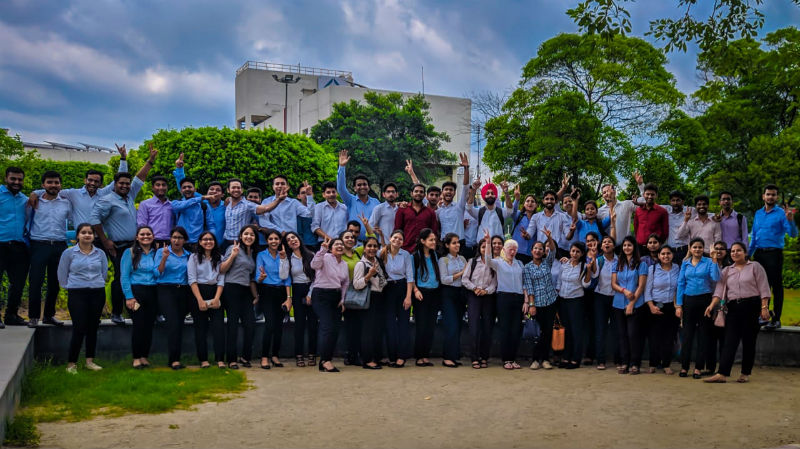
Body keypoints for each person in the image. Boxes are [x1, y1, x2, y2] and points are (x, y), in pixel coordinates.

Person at [90, 143, 157, 325]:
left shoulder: (130, 196)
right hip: (118, 246)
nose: (125, 186)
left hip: (134, 244)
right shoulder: (107, 200)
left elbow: (140, 178)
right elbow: (94, 219)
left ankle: (139, 309)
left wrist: (150, 161)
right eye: (121, 183)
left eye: (127, 184)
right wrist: (105, 241)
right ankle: (116, 313)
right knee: (120, 277)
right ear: (115, 185)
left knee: (140, 275)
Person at [703, 242, 772, 384]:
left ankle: (745, 373)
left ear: (745, 252)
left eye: (738, 250)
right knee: (730, 341)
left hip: (752, 306)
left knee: (749, 341)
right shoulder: (727, 270)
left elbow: (764, 288)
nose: (735, 253)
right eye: (733, 251)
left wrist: (764, 307)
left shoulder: (755, 267)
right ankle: (722, 373)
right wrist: (711, 305)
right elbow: (719, 290)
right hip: (733, 307)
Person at [57, 223, 109, 374]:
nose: (87, 235)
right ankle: (71, 364)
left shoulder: (100, 253)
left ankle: (89, 361)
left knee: (93, 327)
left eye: (90, 233)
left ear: (94, 236)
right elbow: (62, 273)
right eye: (83, 232)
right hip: (77, 293)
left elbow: (103, 273)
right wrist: (71, 286)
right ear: (77, 235)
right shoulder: (69, 253)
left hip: (97, 293)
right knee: (79, 328)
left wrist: (96, 283)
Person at [749, 184, 797, 330]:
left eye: (773, 194)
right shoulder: (758, 213)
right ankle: (762, 316)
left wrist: (790, 220)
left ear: (777, 197)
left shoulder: (782, 214)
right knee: (758, 287)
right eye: (768, 194)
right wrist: (748, 255)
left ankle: (776, 319)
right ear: (763, 196)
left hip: (774, 254)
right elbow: (754, 236)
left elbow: (793, 234)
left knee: (776, 287)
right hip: (759, 254)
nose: (770, 197)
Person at [26, 170, 70, 327]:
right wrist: (34, 193)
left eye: (56, 182)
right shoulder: (34, 201)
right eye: (50, 182)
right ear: (43, 185)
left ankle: (49, 316)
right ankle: (33, 317)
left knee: (54, 282)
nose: (53, 185)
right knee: (36, 282)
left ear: (60, 185)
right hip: (39, 245)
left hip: (59, 246)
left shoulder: (66, 202)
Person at [676, 237, 721, 379]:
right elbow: (681, 284)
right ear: (690, 248)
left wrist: (714, 259)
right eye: (695, 247)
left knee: (703, 336)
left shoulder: (708, 262)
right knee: (687, 336)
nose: (697, 250)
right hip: (689, 301)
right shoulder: (685, 263)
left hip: (705, 301)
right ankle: (684, 367)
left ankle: (698, 368)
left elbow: (716, 278)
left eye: (700, 247)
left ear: (704, 248)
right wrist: (679, 305)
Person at [483, 229, 526, 370]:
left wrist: (526, 301)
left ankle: (513, 358)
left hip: (518, 298)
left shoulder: (520, 264)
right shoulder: (498, 262)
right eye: (510, 249)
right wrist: (488, 243)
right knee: (505, 329)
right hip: (504, 297)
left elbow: (524, 283)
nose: (512, 252)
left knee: (516, 329)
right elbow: (488, 260)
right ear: (504, 249)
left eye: (514, 250)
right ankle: (506, 359)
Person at [219, 225, 259, 369]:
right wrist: (233, 256)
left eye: (252, 235)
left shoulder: (252, 253)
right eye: (246, 234)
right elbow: (222, 269)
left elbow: (250, 277)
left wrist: (255, 295)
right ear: (241, 236)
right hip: (231, 289)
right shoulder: (233, 248)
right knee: (233, 325)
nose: (249, 237)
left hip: (246, 291)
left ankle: (245, 356)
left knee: (250, 324)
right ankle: (232, 359)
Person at [120, 226, 159, 369]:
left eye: (148, 234)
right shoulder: (129, 253)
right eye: (142, 234)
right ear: (137, 237)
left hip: (153, 292)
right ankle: (136, 357)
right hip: (136, 292)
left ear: (153, 237)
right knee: (139, 325)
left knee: (149, 326)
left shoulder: (157, 253)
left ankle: (144, 357)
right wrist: (129, 297)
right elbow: (124, 276)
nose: (145, 236)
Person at [310, 237, 350, 372]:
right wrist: (322, 250)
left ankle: (327, 359)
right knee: (326, 326)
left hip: (336, 297)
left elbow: (345, 283)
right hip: (321, 295)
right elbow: (314, 265)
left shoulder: (344, 264)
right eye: (336, 244)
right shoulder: (325, 257)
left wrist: (343, 299)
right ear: (331, 248)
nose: (339, 246)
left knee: (335, 329)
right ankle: (324, 360)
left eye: (341, 244)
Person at [188, 231, 226, 369]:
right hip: (199, 292)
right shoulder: (193, 258)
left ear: (215, 242)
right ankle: (203, 359)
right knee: (200, 328)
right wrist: (199, 300)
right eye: (205, 239)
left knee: (219, 328)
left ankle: (220, 359)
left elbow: (221, 279)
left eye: (211, 239)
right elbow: (192, 279)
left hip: (216, 291)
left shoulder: (220, 258)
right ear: (200, 242)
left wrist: (217, 298)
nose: (208, 242)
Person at [610, 236, 648, 374]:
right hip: (619, 303)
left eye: (629, 245)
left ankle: (635, 363)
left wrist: (632, 303)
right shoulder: (617, 263)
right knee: (622, 334)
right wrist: (624, 291)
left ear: (634, 247)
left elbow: (641, 286)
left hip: (636, 304)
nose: (627, 247)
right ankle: (624, 362)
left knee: (633, 335)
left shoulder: (641, 264)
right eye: (625, 245)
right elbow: (613, 284)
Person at [155, 226, 191, 369]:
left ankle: (176, 357)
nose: (177, 240)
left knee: (179, 324)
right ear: (170, 238)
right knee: (173, 323)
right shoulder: (161, 252)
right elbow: (157, 273)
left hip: (183, 291)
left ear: (184, 240)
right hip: (166, 290)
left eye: (180, 238)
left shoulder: (188, 255)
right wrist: (164, 258)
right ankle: (173, 360)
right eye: (174, 237)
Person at [255, 229, 291, 369]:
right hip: (267, 291)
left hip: (281, 292)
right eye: (271, 239)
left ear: (280, 241)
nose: (274, 241)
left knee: (279, 326)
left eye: (276, 239)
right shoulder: (261, 255)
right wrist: (261, 278)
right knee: (269, 324)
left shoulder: (284, 255)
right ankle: (264, 357)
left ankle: (275, 355)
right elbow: (258, 277)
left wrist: (288, 298)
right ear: (267, 241)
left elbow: (287, 278)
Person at [280, 231, 318, 367]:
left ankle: (313, 354)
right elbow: (284, 276)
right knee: (299, 325)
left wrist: (310, 293)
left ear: (299, 239)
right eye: (289, 240)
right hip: (296, 289)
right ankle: (299, 355)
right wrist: (284, 259)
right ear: (287, 244)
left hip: (311, 288)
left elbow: (316, 276)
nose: (292, 240)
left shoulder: (311, 255)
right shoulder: (288, 258)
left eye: (294, 237)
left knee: (313, 324)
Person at [556, 241, 596, 369]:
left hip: (576, 301)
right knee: (566, 330)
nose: (574, 254)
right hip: (563, 300)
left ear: (582, 253)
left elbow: (586, 285)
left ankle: (575, 359)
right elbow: (558, 282)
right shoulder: (564, 264)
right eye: (573, 251)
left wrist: (589, 270)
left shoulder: (583, 266)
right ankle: (566, 357)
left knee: (576, 331)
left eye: (578, 251)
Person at [522, 228, 558, 370]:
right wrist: (531, 304)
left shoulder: (547, 263)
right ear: (532, 251)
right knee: (537, 333)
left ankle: (545, 359)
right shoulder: (527, 267)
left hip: (551, 301)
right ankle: (536, 359)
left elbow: (553, 251)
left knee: (548, 331)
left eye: (540, 249)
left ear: (543, 252)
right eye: (535, 248)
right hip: (537, 304)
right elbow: (529, 286)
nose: (538, 251)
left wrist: (549, 238)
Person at [172, 154, 227, 245]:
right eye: (211, 189)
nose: (214, 192)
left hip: (219, 244)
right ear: (207, 192)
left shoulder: (226, 206)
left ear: (222, 194)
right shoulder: (201, 202)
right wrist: (180, 169)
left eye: (218, 190)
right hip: (195, 243)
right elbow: (185, 188)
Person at [352, 236, 388, 369]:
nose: (372, 249)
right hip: (369, 298)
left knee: (377, 329)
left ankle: (376, 356)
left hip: (380, 297)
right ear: (364, 248)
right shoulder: (361, 264)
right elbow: (357, 284)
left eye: (374, 246)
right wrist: (369, 275)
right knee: (368, 330)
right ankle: (367, 360)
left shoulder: (377, 262)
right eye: (369, 246)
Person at [380, 230, 415, 367]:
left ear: (403, 242)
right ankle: (392, 356)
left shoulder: (406, 255)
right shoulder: (382, 253)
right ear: (390, 238)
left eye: (400, 239)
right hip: (387, 289)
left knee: (403, 324)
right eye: (395, 238)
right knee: (389, 324)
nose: (397, 240)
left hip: (402, 288)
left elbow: (410, 276)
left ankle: (401, 356)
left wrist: (408, 297)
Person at [643, 245, 680, 374]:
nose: (666, 256)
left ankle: (666, 364)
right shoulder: (652, 269)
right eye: (663, 254)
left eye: (668, 253)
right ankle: (653, 363)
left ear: (672, 255)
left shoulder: (677, 268)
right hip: (656, 306)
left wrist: (679, 306)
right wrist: (651, 306)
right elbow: (647, 290)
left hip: (672, 307)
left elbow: (679, 289)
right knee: (654, 337)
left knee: (669, 337)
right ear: (658, 256)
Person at [411, 228, 441, 367]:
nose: (433, 242)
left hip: (434, 293)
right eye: (431, 240)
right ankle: (419, 356)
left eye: (434, 239)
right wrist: (415, 290)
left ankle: (426, 355)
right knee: (421, 326)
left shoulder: (436, 255)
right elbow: (411, 277)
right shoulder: (415, 257)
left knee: (430, 326)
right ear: (423, 241)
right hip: (421, 293)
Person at [337, 150, 381, 241]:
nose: (362, 187)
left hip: (372, 243)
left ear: (369, 187)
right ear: (355, 188)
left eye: (364, 184)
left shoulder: (376, 202)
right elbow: (341, 188)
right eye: (359, 185)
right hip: (354, 243)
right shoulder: (350, 200)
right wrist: (342, 167)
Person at [438, 233, 467, 367]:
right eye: (454, 243)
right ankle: (447, 357)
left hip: (460, 293)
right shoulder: (443, 260)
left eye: (458, 242)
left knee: (458, 325)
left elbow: (468, 275)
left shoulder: (462, 259)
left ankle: (454, 355)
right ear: (447, 245)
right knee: (451, 325)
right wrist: (461, 273)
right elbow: (444, 279)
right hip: (448, 293)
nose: (457, 245)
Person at [222, 178, 273, 249]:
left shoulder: (249, 205)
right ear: (228, 190)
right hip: (227, 242)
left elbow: (266, 210)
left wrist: (279, 199)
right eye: (233, 187)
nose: (236, 189)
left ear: (242, 190)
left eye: (238, 188)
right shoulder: (228, 203)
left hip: (245, 243)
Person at [593, 235, 619, 370]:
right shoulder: (598, 261)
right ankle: (601, 360)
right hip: (600, 297)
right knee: (600, 329)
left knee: (617, 329)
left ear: (614, 246)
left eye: (609, 242)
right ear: (601, 246)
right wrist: (592, 260)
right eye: (604, 242)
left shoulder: (620, 261)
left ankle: (618, 359)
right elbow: (592, 276)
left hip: (616, 298)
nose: (606, 244)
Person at [340, 229, 365, 366]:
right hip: (344, 293)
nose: (350, 239)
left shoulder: (357, 252)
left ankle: (356, 354)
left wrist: (367, 226)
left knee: (359, 325)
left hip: (358, 292)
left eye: (352, 237)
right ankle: (349, 354)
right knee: (349, 326)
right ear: (341, 240)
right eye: (347, 237)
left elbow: (372, 239)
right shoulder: (337, 254)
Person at [171, 177, 218, 250]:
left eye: (189, 187)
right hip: (180, 244)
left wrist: (211, 239)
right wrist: (202, 198)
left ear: (195, 189)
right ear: (181, 191)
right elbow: (181, 206)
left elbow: (211, 225)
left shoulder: (204, 206)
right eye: (184, 187)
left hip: (198, 244)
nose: (187, 189)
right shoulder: (176, 203)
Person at [596, 173, 645, 243]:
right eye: (604, 192)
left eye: (608, 190)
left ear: (615, 192)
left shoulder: (626, 205)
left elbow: (644, 201)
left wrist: (641, 185)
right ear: (602, 196)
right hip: (608, 248)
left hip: (626, 246)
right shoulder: (599, 212)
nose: (607, 193)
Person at [435, 153, 473, 243]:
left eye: (451, 190)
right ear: (442, 192)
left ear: (454, 192)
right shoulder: (438, 211)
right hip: (443, 244)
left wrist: (466, 169)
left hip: (459, 243)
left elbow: (466, 188)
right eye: (446, 189)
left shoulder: (459, 207)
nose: (448, 192)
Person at [394, 183, 439, 253]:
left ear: (424, 195)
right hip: (405, 249)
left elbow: (434, 232)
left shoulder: (430, 212)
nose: (418, 193)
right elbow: (397, 229)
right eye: (416, 191)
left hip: (424, 249)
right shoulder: (402, 210)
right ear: (411, 193)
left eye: (421, 192)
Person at [527, 190, 572, 258]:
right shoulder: (536, 216)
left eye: (552, 199)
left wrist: (572, 230)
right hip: (541, 252)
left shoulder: (562, 216)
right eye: (547, 199)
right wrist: (525, 235)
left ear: (555, 201)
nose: (549, 201)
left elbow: (568, 236)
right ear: (543, 201)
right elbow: (529, 235)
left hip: (557, 252)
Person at [136, 175, 174, 246]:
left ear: (167, 187)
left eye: (163, 185)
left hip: (169, 242)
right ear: (153, 187)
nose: (161, 187)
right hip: (151, 242)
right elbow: (142, 225)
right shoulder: (145, 204)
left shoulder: (172, 205)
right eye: (158, 185)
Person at [634, 184, 669, 251]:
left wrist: (659, 244)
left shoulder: (662, 211)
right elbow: (636, 227)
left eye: (652, 194)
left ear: (656, 195)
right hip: (640, 247)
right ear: (644, 194)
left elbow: (665, 231)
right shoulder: (638, 210)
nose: (650, 196)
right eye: (647, 194)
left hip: (655, 248)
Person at [510, 187, 537, 264]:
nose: (530, 203)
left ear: (536, 205)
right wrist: (517, 199)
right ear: (524, 204)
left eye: (532, 201)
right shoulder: (519, 215)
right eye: (527, 201)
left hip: (532, 254)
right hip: (516, 252)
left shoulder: (538, 218)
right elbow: (512, 211)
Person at [369, 182, 399, 247]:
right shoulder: (379, 208)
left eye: (393, 192)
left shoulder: (400, 209)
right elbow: (370, 226)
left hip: (398, 245)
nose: (391, 194)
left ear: (397, 194)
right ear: (384, 194)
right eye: (388, 192)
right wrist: (379, 232)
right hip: (383, 245)